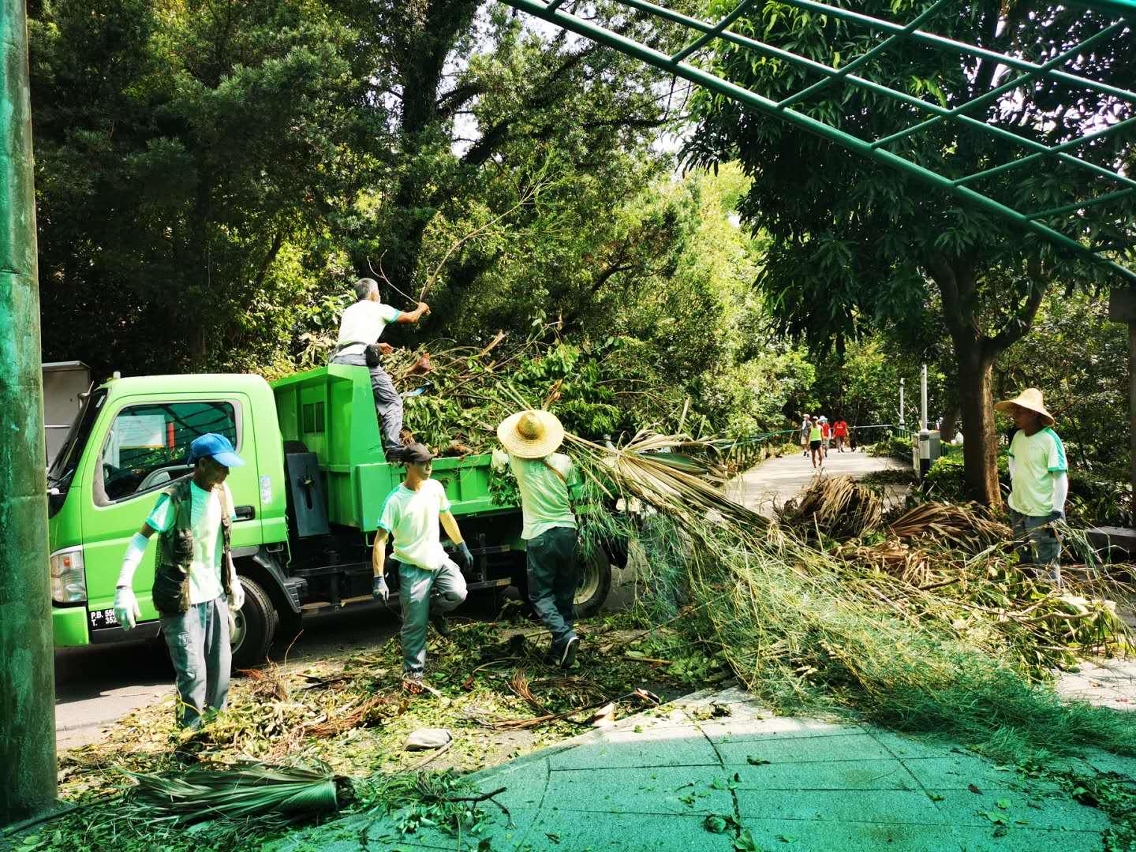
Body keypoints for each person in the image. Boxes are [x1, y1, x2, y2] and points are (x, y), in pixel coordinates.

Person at [113, 433, 245, 729]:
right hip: (182, 601)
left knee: (221, 674)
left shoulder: (223, 493)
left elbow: (222, 545)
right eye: (221, 466)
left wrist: (233, 579)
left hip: (215, 597)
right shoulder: (174, 498)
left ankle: (218, 733)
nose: (226, 472)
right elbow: (140, 538)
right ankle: (189, 740)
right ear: (202, 464)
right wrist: (123, 586)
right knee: (193, 676)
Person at [371, 443, 474, 692]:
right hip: (412, 567)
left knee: (458, 593)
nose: (428, 468)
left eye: (430, 462)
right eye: (422, 463)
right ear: (408, 465)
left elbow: (446, 517)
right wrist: (378, 578)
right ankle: (413, 675)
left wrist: (461, 545)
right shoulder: (395, 501)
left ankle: (435, 612)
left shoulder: (435, 488)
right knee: (414, 626)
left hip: (438, 560)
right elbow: (380, 541)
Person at [493, 410, 581, 668]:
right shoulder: (565, 462)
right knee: (564, 593)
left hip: (540, 536)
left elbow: (498, 459)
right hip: (567, 532)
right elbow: (576, 493)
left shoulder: (517, 462)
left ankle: (564, 635)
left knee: (540, 595)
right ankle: (562, 654)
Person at [330, 278, 430, 460]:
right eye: (378, 292)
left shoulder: (349, 310)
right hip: (358, 361)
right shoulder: (378, 308)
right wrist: (421, 308)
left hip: (337, 361)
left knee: (352, 406)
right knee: (392, 401)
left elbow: (354, 338)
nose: (379, 295)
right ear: (373, 294)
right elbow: (411, 318)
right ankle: (393, 448)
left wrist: (376, 346)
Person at [994, 388, 1068, 584]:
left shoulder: (1049, 439)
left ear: (1034, 413)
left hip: (1043, 512)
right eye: (1014, 410)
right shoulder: (1018, 437)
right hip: (1019, 508)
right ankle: (1025, 595)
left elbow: (1060, 476)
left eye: (1020, 410)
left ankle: (1051, 598)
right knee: (1023, 558)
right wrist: (1015, 483)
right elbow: (1012, 458)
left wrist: (1057, 511)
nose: (1015, 415)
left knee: (1046, 563)